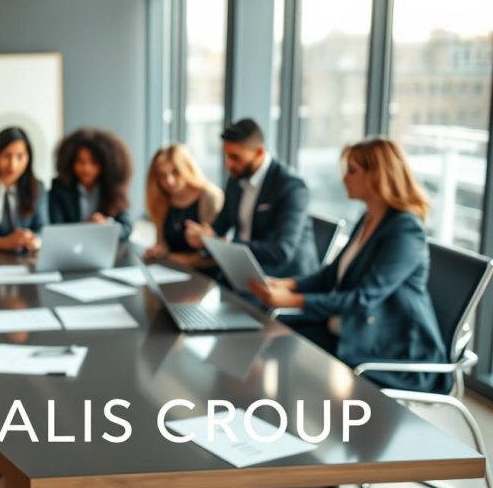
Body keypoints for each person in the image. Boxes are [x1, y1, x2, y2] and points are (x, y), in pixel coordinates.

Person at [248, 138, 448, 393]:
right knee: (270, 342)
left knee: (283, 351)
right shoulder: (370, 218)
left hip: (392, 350)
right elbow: (333, 275)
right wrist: (287, 284)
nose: (344, 179)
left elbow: (362, 298)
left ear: (378, 176)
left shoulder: (405, 231)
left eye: (352, 171)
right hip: (351, 328)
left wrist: (293, 300)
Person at [184, 118, 318, 279]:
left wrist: (226, 243)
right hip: (245, 270)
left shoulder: (291, 188)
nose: (228, 164)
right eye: (226, 156)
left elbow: (281, 251)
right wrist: (204, 237)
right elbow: (220, 226)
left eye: (235, 157)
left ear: (259, 152)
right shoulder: (236, 178)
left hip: (282, 277)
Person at [143, 143, 223, 269]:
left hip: (205, 276)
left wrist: (188, 260)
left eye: (176, 172)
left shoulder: (209, 197)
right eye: (162, 176)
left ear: (187, 168)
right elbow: (163, 243)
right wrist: (159, 250)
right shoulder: (162, 199)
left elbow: (220, 250)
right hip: (172, 270)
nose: (169, 181)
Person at [48, 128, 133, 241]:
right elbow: (56, 229)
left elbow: (126, 229)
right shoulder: (60, 188)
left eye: (93, 162)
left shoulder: (113, 190)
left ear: (106, 165)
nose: (86, 168)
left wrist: (106, 225)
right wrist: (86, 227)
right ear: (70, 162)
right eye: (80, 161)